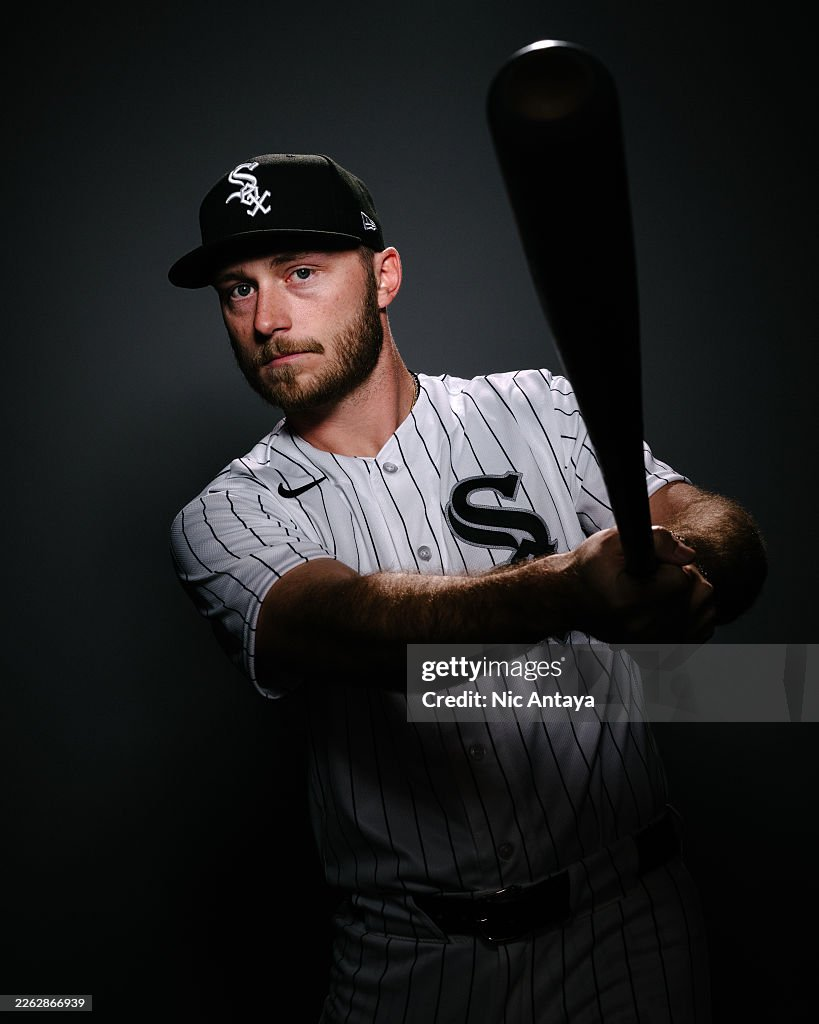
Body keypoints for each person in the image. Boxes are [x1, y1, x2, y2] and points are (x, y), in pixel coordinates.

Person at [168, 153, 766, 1023]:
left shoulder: (537, 409)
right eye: (237, 289)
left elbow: (706, 521)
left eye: (300, 273)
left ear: (383, 276)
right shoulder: (224, 512)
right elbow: (341, 624)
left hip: (627, 927)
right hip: (409, 963)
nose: (266, 319)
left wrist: (694, 566)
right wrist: (567, 591)